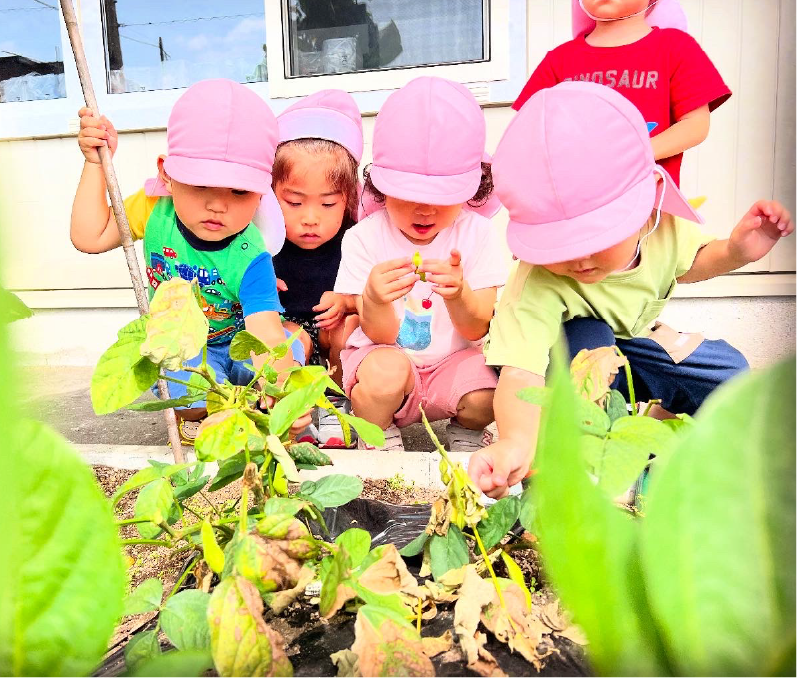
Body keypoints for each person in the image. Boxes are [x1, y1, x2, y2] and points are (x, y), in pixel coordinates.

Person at [472, 81, 792, 497]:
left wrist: (735, 251)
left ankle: (644, 441)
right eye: (560, 246)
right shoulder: (537, 281)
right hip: (561, 365)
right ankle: (569, 460)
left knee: (728, 371)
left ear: (646, 208)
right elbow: (520, 372)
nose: (579, 260)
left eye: (596, 239)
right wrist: (516, 440)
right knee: (590, 340)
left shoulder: (664, 228)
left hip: (630, 345)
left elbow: (690, 263)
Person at [70, 78, 307, 442]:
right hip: (186, 350)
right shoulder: (153, 210)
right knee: (182, 393)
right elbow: (90, 236)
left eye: (239, 191)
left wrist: (283, 399)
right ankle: (228, 407)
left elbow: (263, 335)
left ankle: (260, 387)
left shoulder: (251, 253)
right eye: (201, 185)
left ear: (262, 192)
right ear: (167, 174)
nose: (218, 204)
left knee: (279, 358)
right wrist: (95, 164)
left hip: (240, 343)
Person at [334, 77, 509, 452]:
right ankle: (377, 432)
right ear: (380, 186)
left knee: (493, 392)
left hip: (452, 363)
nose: (425, 209)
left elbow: (477, 327)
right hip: (387, 359)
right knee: (383, 376)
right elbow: (379, 336)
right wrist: (375, 300)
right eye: (410, 194)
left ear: (471, 189)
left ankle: (467, 432)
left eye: (442, 197)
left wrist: (459, 294)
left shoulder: (478, 235)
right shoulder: (365, 237)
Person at [514, 0, 730, 188]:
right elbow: (527, 132)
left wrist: (638, 155)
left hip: (650, 209)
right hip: (574, 210)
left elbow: (696, 125)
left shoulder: (676, 48)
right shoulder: (558, 60)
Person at [272, 90, 364, 447]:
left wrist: (348, 301)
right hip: (290, 339)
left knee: (349, 324)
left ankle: (339, 404)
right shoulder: (263, 239)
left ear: (348, 200)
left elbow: (371, 296)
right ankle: (297, 408)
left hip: (334, 341)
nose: (310, 218)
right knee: (289, 336)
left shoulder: (357, 237)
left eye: (328, 204)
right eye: (294, 202)